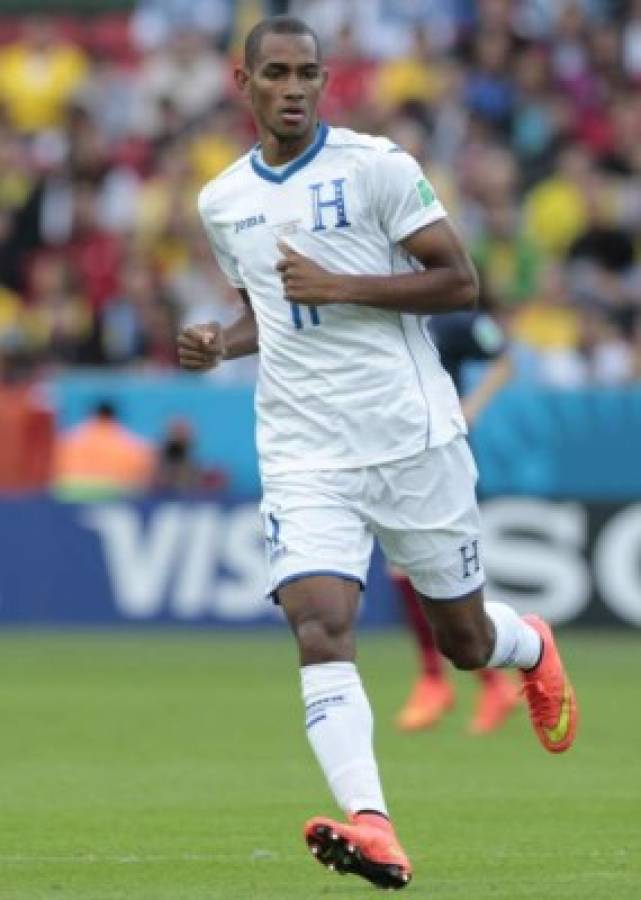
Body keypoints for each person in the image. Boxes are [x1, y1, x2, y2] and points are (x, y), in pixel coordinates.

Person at [178, 16, 578, 891]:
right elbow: (273, 315)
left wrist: (345, 283)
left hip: (411, 439)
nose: (294, 87)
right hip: (302, 450)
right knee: (318, 626)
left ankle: (528, 643)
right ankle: (374, 824)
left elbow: (458, 282)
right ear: (241, 85)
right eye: (276, 73)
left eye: (308, 73)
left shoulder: (377, 168)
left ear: (325, 81)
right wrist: (220, 340)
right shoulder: (222, 201)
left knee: (465, 642)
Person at [394, 310, 521, 735]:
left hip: (439, 459)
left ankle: (451, 680)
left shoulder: (453, 322)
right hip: (394, 457)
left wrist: (472, 406)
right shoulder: (380, 318)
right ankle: (451, 682)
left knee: (438, 572)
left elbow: (505, 360)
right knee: (404, 571)